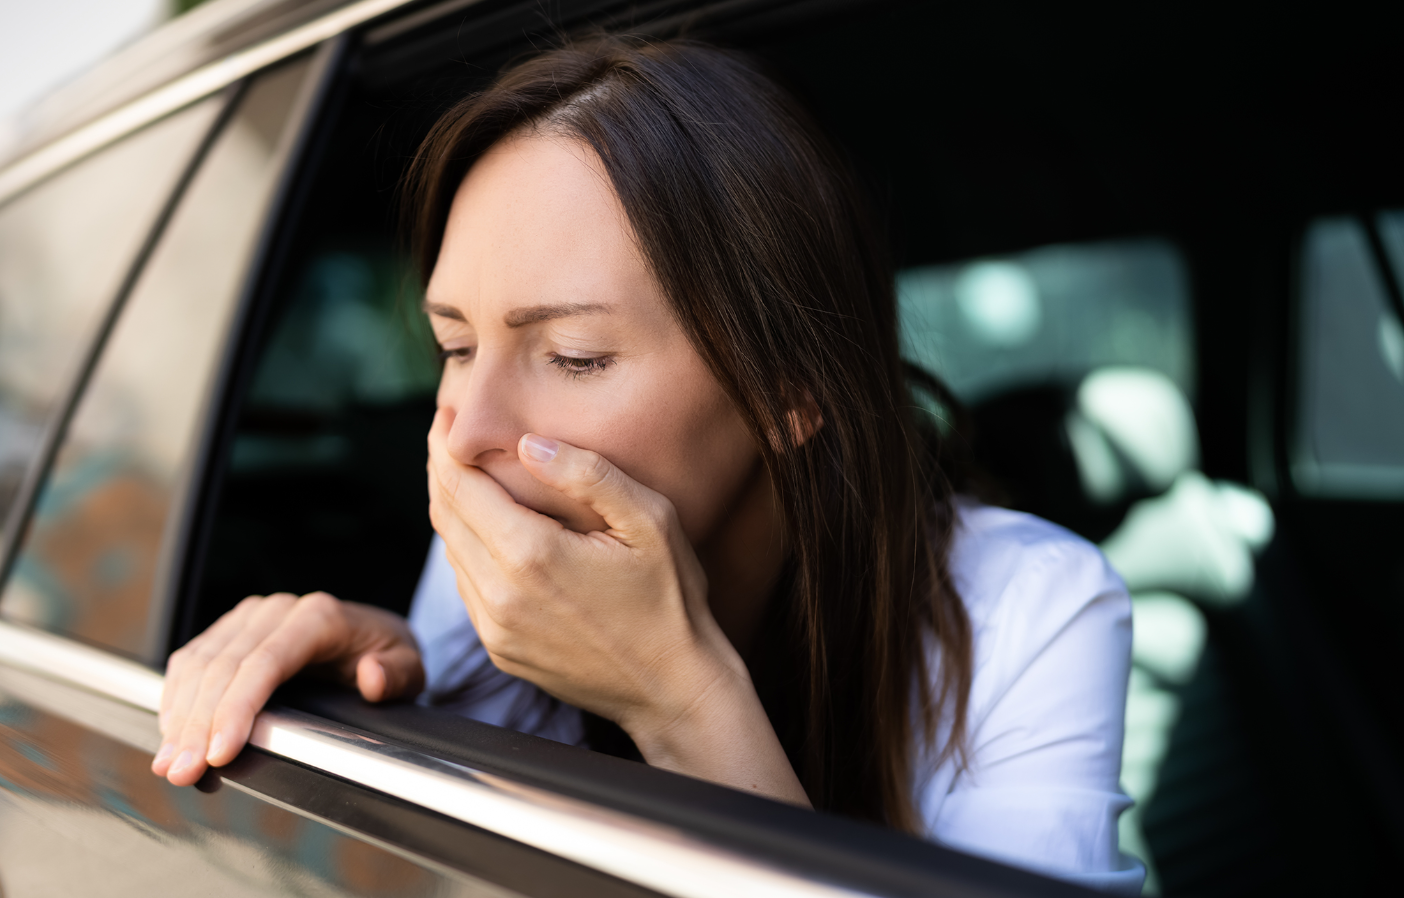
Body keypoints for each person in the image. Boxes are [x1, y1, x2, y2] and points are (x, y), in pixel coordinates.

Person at [152, 36, 1142, 892]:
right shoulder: (509, 533)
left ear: (788, 385)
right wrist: (399, 685)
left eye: (573, 356)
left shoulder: (1028, 611)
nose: (463, 434)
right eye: (454, 347)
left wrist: (681, 698)